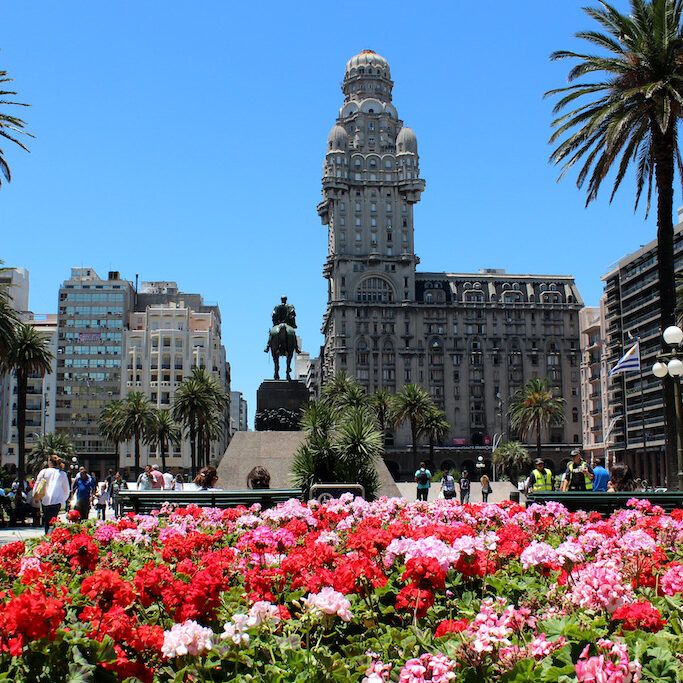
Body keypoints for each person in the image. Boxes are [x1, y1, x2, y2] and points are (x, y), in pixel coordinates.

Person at [35, 455, 70, 534]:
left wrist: (36, 496)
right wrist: (63, 499)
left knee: (47, 520)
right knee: (54, 520)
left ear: (50, 462)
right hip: (57, 500)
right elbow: (66, 489)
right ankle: (53, 536)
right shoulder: (62, 474)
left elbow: (37, 484)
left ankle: (47, 535)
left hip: (45, 499)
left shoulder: (44, 472)